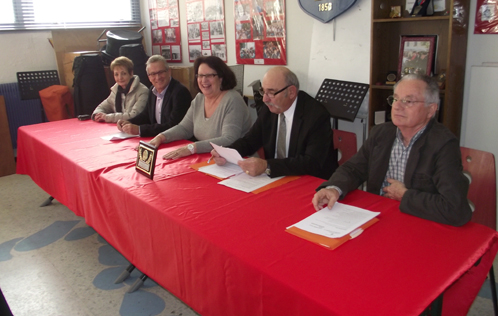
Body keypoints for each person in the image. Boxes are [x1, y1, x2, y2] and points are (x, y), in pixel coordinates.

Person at [312, 74, 472, 227]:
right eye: (395, 99)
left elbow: (455, 209)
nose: (397, 106)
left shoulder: (443, 144)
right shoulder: (382, 133)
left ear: (431, 110)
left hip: (419, 222)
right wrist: (333, 188)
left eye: (408, 101)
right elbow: (354, 169)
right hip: (378, 216)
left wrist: (404, 195)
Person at [210, 66, 338, 180]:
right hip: (277, 178)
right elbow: (250, 141)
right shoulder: (270, 109)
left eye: (271, 92)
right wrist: (227, 152)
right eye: (263, 91)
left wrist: (268, 166)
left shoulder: (316, 115)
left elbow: (311, 162)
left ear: (291, 92)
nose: (265, 99)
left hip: (309, 181)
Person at [147, 56, 251, 160]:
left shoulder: (233, 100)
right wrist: (161, 137)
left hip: (239, 162)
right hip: (209, 159)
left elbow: (229, 139)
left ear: (221, 77)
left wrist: (192, 147)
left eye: (209, 75)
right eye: (200, 75)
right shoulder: (199, 98)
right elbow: (184, 128)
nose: (203, 80)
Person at [117, 55, 192, 137]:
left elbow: (172, 126)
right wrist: (129, 122)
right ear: (149, 77)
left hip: (177, 141)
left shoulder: (180, 92)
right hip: (159, 139)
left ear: (169, 72)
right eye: (153, 74)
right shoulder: (152, 89)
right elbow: (146, 114)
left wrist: (139, 129)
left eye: (161, 72)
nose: (158, 77)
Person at [92, 56, 149, 123]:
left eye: (123, 73)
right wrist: (97, 114)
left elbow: (133, 116)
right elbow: (102, 107)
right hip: (118, 128)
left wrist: (106, 117)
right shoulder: (116, 90)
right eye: (116, 74)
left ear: (131, 73)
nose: (120, 78)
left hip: (136, 128)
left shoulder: (143, 91)